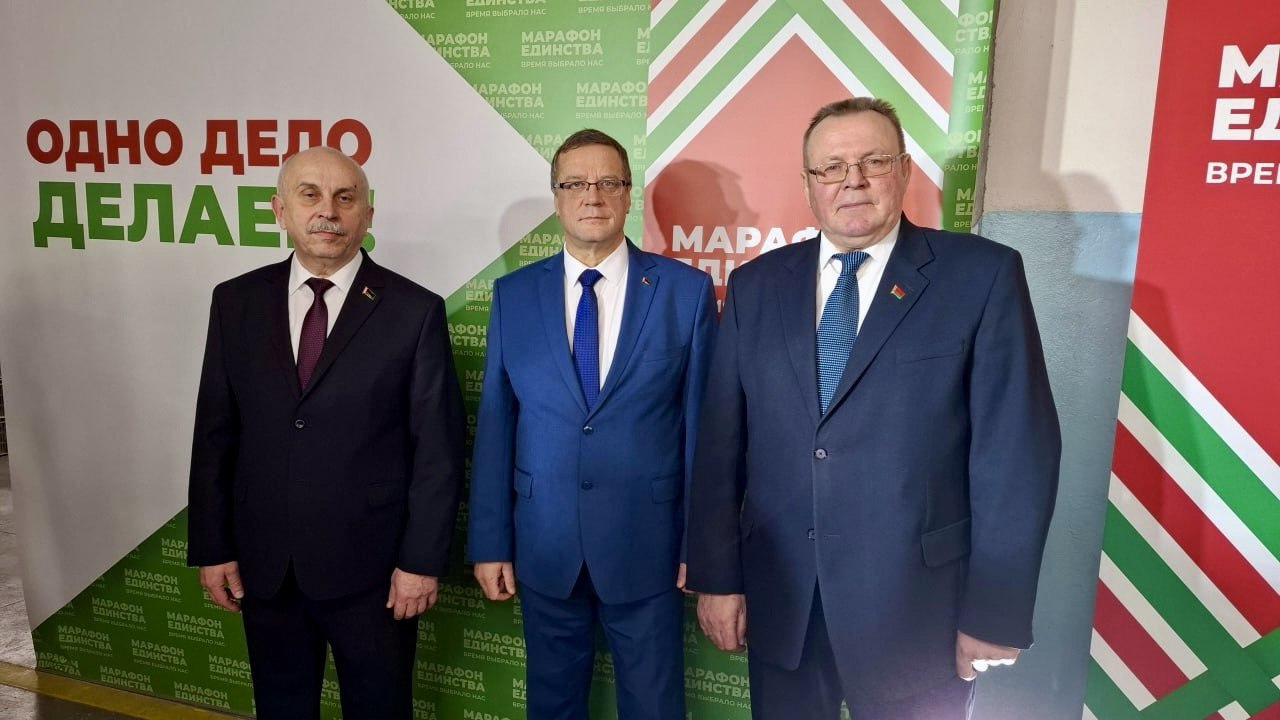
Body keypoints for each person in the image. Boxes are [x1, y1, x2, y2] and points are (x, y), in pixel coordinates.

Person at [686, 97, 1061, 719]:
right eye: (831, 167)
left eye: (873, 161)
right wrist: (718, 578)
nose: (852, 181)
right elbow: (721, 445)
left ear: (905, 170)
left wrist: (994, 613)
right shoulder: (756, 286)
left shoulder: (981, 276)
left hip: (920, 617)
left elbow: (1015, 457)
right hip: (786, 608)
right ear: (808, 183)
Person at [187, 145, 465, 719]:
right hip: (266, 567)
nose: (328, 212)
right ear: (279, 210)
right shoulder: (235, 302)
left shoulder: (414, 311)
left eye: (345, 197)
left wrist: (420, 562)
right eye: (309, 195)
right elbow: (214, 433)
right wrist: (213, 546)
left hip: (376, 573)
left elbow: (437, 450)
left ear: (367, 214)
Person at [467, 129, 716, 719]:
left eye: (608, 182)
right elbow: (497, 426)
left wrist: (700, 545)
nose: (592, 195)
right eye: (575, 183)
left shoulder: (685, 292)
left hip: (648, 545)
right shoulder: (512, 295)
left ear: (628, 194)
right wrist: (490, 541)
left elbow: (702, 433)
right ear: (556, 197)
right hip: (543, 544)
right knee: (551, 705)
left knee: (654, 706)